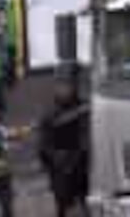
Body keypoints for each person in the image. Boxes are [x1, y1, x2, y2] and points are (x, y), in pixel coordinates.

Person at [37, 83, 89, 216]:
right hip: (62, 165)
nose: (66, 94)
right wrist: (55, 158)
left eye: (67, 92)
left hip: (77, 162)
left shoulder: (81, 110)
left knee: (79, 197)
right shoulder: (50, 115)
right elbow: (44, 144)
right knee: (64, 200)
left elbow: (85, 134)